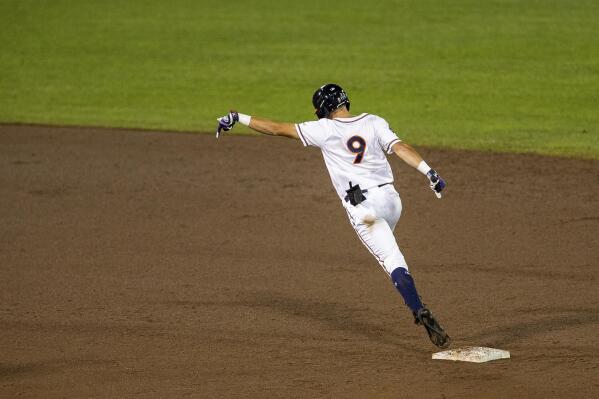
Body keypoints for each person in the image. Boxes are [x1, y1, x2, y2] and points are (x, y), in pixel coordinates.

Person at [216, 83, 450, 348]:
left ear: (324, 109)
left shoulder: (324, 129)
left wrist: (238, 117)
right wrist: (430, 173)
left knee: (391, 258)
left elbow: (276, 129)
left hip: (363, 209)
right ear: (345, 101)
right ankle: (413, 298)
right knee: (389, 246)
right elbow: (400, 147)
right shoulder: (374, 122)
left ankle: (418, 308)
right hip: (392, 201)